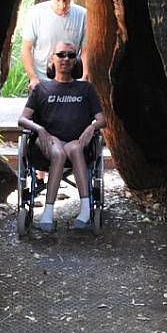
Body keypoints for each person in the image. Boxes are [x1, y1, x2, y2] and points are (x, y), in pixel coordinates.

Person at [19, 41, 106, 232]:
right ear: (52, 58)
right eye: (61, 55)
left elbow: (102, 119)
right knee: (58, 152)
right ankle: (47, 214)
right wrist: (40, 129)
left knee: (73, 148)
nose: (65, 59)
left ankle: (85, 211)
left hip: (77, 145)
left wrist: (91, 128)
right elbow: (23, 119)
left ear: (76, 61)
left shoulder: (86, 89)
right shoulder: (41, 89)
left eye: (71, 55)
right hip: (48, 145)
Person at [21, 0, 88, 91]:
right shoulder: (35, 13)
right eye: (58, 0)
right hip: (42, 80)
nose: (62, 5)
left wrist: (84, 76)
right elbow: (26, 48)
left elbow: (86, 50)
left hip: (71, 80)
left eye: (66, 0)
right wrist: (33, 78)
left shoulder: (82, 15)